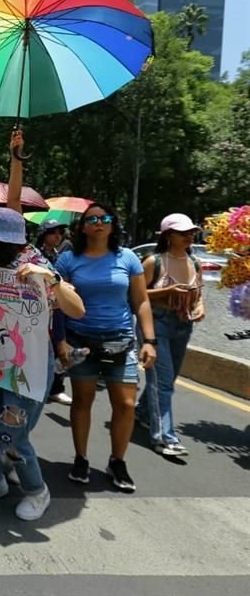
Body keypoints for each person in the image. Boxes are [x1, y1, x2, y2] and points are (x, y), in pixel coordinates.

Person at [0, 208, 85, 521]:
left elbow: (77, 309)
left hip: (26, 362)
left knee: (12, 432)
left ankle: (36, 490)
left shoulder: (38, 264)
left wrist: (52, 279)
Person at [56, 204, 157, 493]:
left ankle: (118, 460)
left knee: (125, 404)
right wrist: (61, 340)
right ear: (83, 226)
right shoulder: (68, 260)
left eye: (105, 218)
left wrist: (149, 340)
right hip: (81, 342)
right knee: (82, 401)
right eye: (92, 219)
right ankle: (81, 457)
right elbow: (58, 303)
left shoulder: (128, 259)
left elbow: (141, 301)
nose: (99, 223)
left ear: (113, 224)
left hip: (121, 341)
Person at [137, 213, 205, 457]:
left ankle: (143, 412)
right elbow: (136, 295)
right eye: (183, 233)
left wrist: (199, 307)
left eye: (191, 233)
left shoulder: (194, 262)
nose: (189, 237)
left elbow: (199, 293)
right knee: (163, 383)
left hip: (183, 325)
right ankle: (165, 438)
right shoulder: (153, 262)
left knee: (168, 380)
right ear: (168, 235)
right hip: (156, 323)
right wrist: (167, 290)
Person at [36, 219, 73, 406]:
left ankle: (56, 387)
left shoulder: (60, 256)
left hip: (58, 307)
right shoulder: (36, 256)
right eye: (53, 232)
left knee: (61, 347)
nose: (57, 236)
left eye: (60, 232)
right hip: (39, 309)